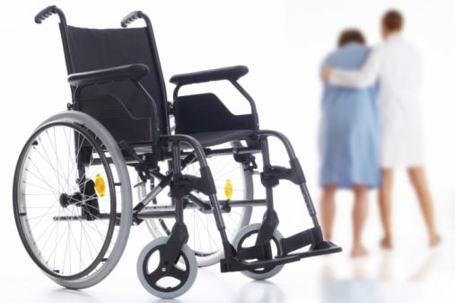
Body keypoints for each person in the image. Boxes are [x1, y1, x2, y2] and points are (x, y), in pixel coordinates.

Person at [323, 10, 441, 249]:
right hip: (413, 120)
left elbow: (363, 79)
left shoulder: (381, 51)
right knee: (419, 180)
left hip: (388, 121)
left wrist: (332, 74)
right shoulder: (414, 52)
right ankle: (432, 233)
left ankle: (389, 237)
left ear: (385, 27)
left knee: (386, 182)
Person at [319, 29, 380, 258]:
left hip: (333, 124)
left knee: (329, 186)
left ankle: (326, 239)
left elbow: (327, 82)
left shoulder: (329, 60)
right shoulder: (371, 56)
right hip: (362, 126)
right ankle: (356, 244)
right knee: (361, 187)